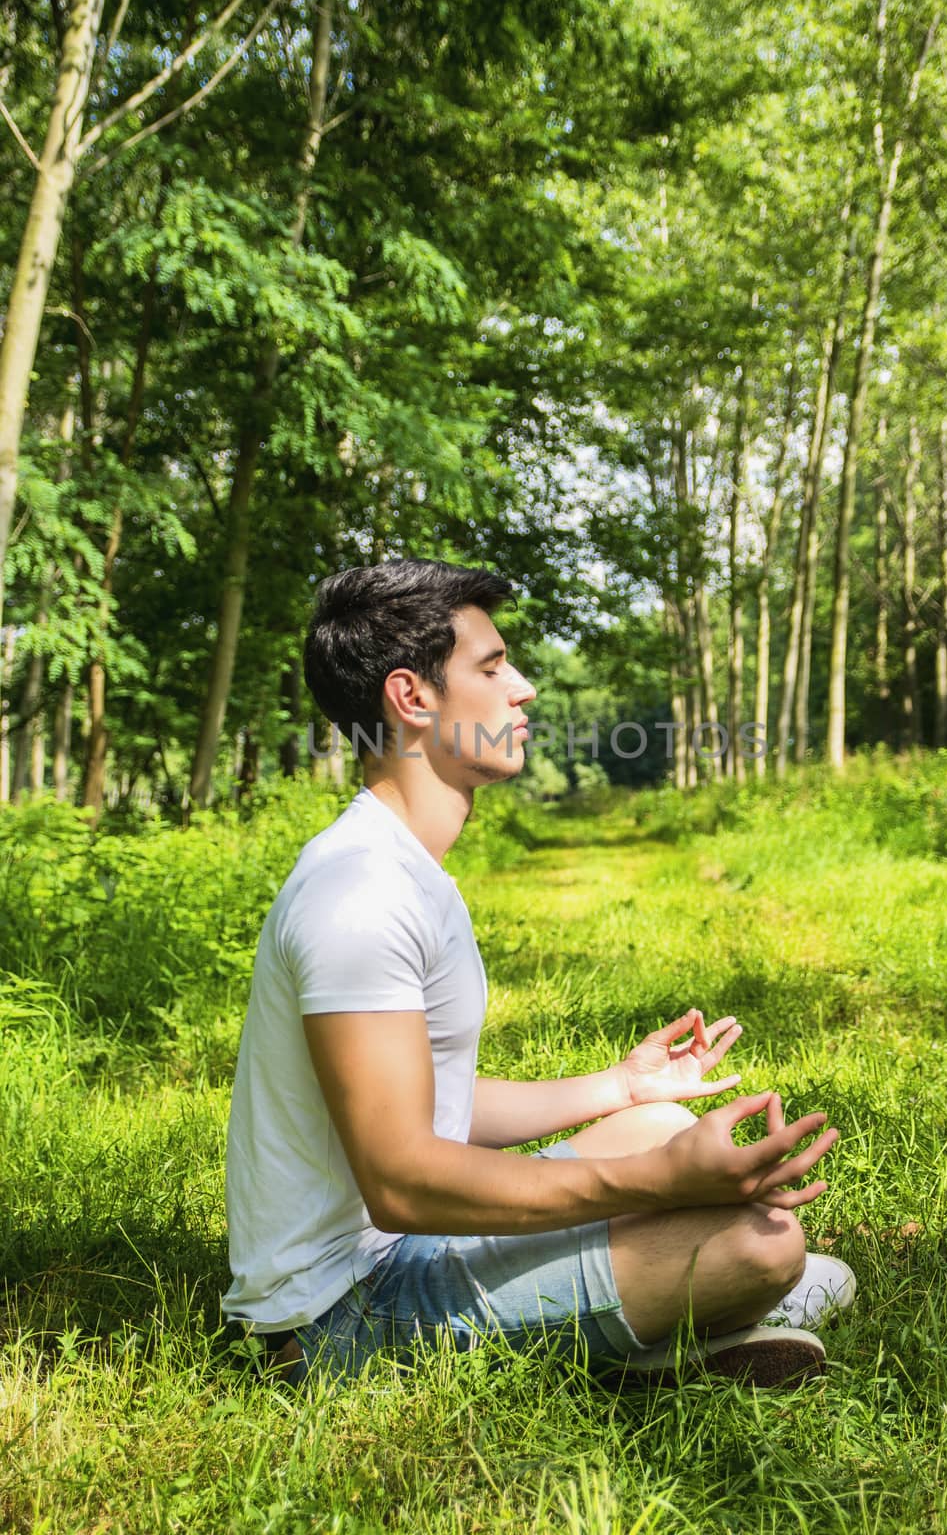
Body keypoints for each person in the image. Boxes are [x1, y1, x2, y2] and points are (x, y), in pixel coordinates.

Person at [222, 557, 853, 1389]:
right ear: (411, 698)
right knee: (763, 1248)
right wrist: (653, 1188)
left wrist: (622, 1087)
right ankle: (643, 1345)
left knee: (658, 1122)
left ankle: (653, 1328)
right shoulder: (359, 896)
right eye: (492, 667)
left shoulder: (400, 865)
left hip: (408, 1248)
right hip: (342, 1316)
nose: (522, 689)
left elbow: (432, 1101)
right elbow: (402, 1181)